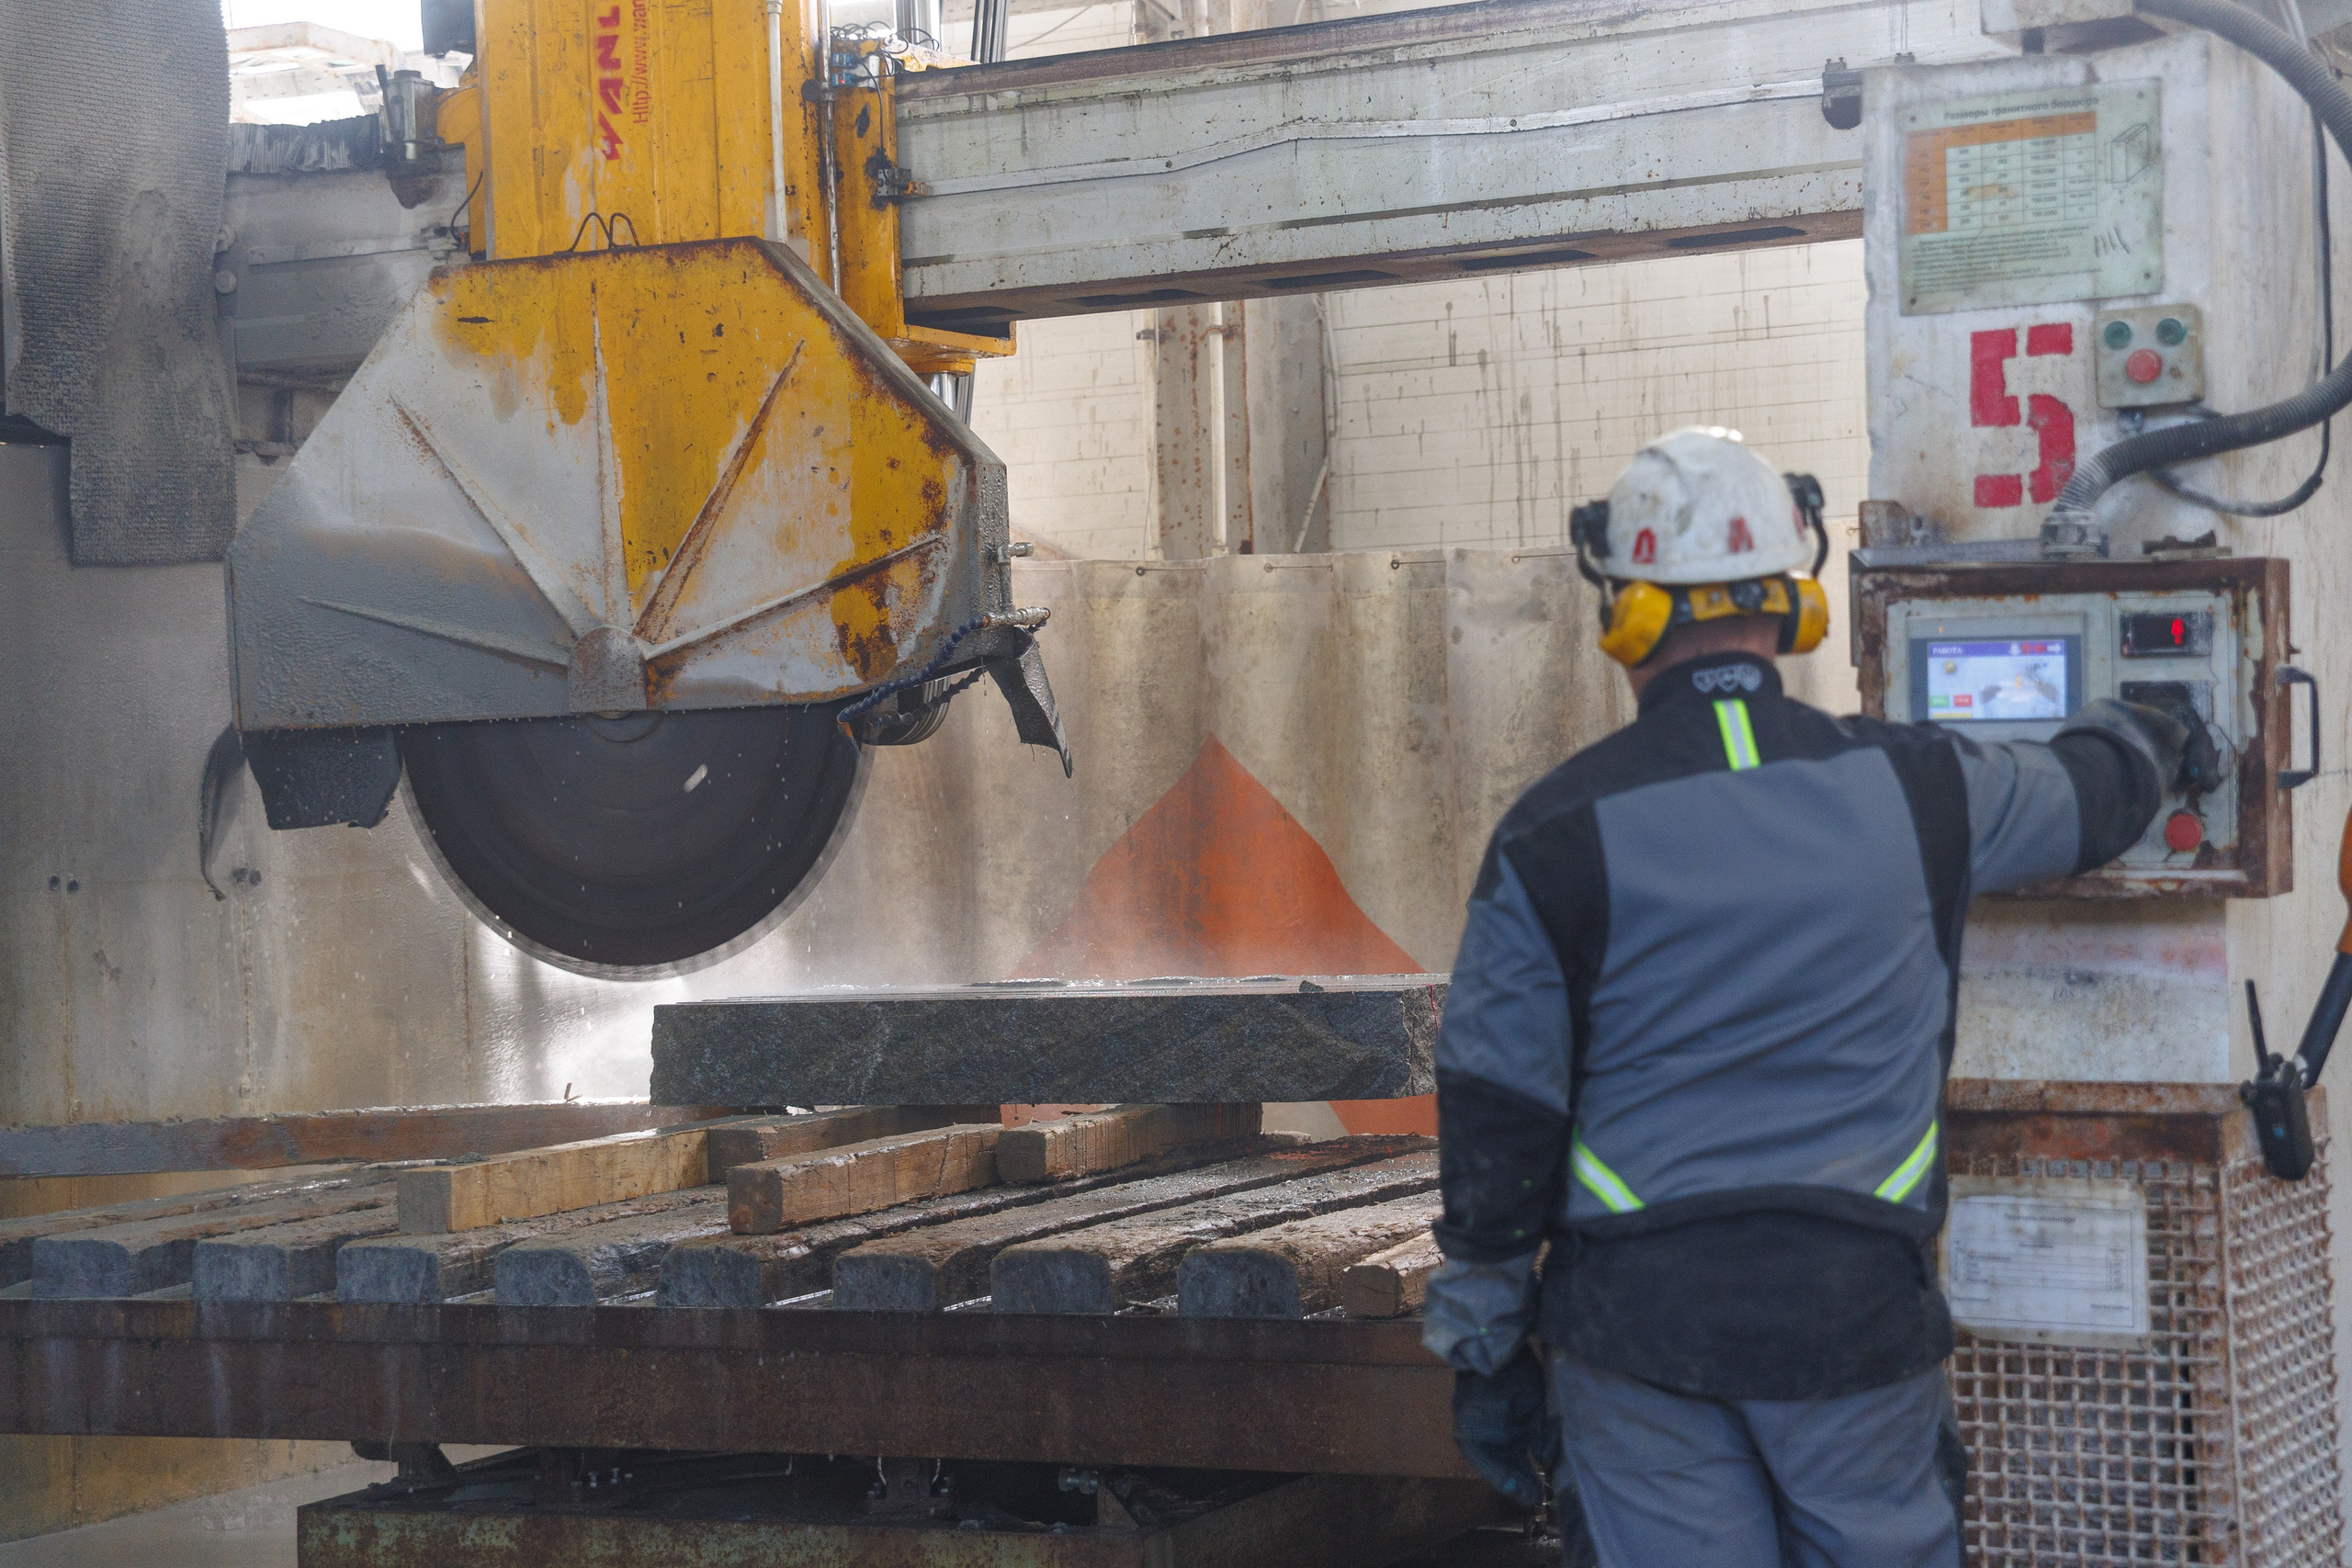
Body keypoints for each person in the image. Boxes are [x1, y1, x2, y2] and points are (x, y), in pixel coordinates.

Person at [1420, 427, 2187, 1567]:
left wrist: (1483, 1344)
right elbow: (2092, 797)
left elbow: (1498, 1110)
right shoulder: (1923, 791)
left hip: (1639, 1330)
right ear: (1791, 599)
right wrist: (2158, 723)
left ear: (1623, 614)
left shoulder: (1551, 834)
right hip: (1854, 1317)